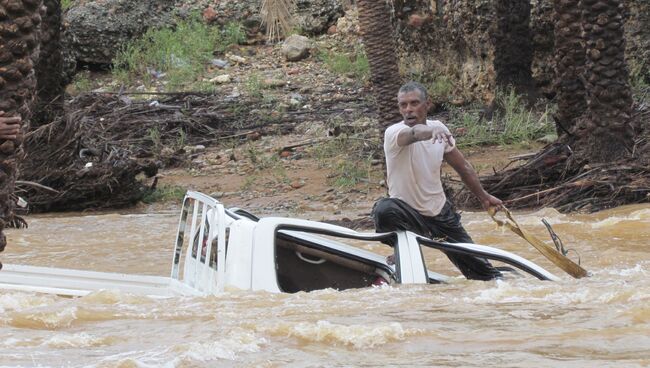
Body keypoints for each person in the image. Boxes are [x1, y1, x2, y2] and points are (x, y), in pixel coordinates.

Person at [372, 81, 502, 281]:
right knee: (383, 210)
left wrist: (483, 197)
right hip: (406, 214)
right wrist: (430, 132)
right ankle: (403, 249)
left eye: (414, 103)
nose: (408, 110)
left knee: (487, 275)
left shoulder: (440, 128)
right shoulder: (394, 133)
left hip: (440, 213)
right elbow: (414, 133)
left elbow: (463, 167)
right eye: (403, 105)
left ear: (427, 105)